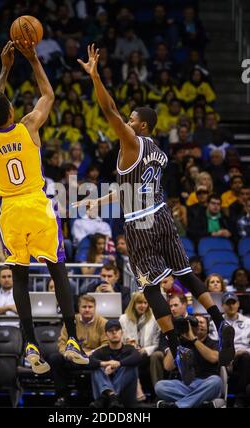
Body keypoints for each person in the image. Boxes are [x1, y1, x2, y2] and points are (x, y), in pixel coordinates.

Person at [76, 44, 235, 381]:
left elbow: (109, 110)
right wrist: (99, 202)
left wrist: (95, 78)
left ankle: (175, 343)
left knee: (148, 288)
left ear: (142, 126)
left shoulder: (131, 143)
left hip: (140, 223)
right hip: (162, 214)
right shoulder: (157, 150)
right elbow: (129, 189)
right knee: (185, 272)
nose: (127, 123)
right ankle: (219, 320)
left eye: (133, 120)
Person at [0, 41, 87, 374]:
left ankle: (29, 345)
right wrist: (32, 59)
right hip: (38, 205)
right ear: (11, 111)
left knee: (20, 278)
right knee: (57, 269)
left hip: (10, 211)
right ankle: (73, 340)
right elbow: (49, 95)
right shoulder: (27, 126)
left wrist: (4, 69)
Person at [49, 295, 108, 407]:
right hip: (73, 357)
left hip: (92, 358)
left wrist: (92, 353)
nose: (87, 309)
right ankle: (62, 396)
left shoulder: (102, 322)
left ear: (95, 308)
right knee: (54, 358)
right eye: (84, 306)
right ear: (79, 308)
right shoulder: (71, 321)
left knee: (102, 359)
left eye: (90, 307)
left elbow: (106, 344)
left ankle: (99, 398)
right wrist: (66, 353)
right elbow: (62, 342)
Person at [155, 315, 222, 408]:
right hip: (185, 385)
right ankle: (199, 402)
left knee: (216, 382)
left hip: (206, 383)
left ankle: (178, 405)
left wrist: (194, 339)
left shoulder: (214, 343)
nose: (199, 325)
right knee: (160, 386)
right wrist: (176, 339)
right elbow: (167, 366)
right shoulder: (182, 344)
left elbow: (214, 358)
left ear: (208, 327)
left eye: (202, 323)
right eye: (195, 323)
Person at [89, 319, 142, 408]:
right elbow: (88, 361)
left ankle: (108, 395)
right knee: (96, 367)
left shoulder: (129, 349)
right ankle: (112, 396)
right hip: (113, 401)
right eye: (110, 331)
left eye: (117, 330)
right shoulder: (102, 351)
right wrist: (105, 363)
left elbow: (138, 357)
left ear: (122, 332)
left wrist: (118, 364)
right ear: (106, 334)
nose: (114, 333)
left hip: (123, 396)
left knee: (130, 366)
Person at [221, 292, 250, 407]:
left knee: (245, 358)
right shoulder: (217, 322)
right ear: (222, 306)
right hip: (224, 358)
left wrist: (244, 352)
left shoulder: (248, 322)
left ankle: (240, 399)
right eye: (228, 303)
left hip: (243, 357)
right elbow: (213, 343)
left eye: (233, 303)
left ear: (238, 304)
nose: (231, 306)